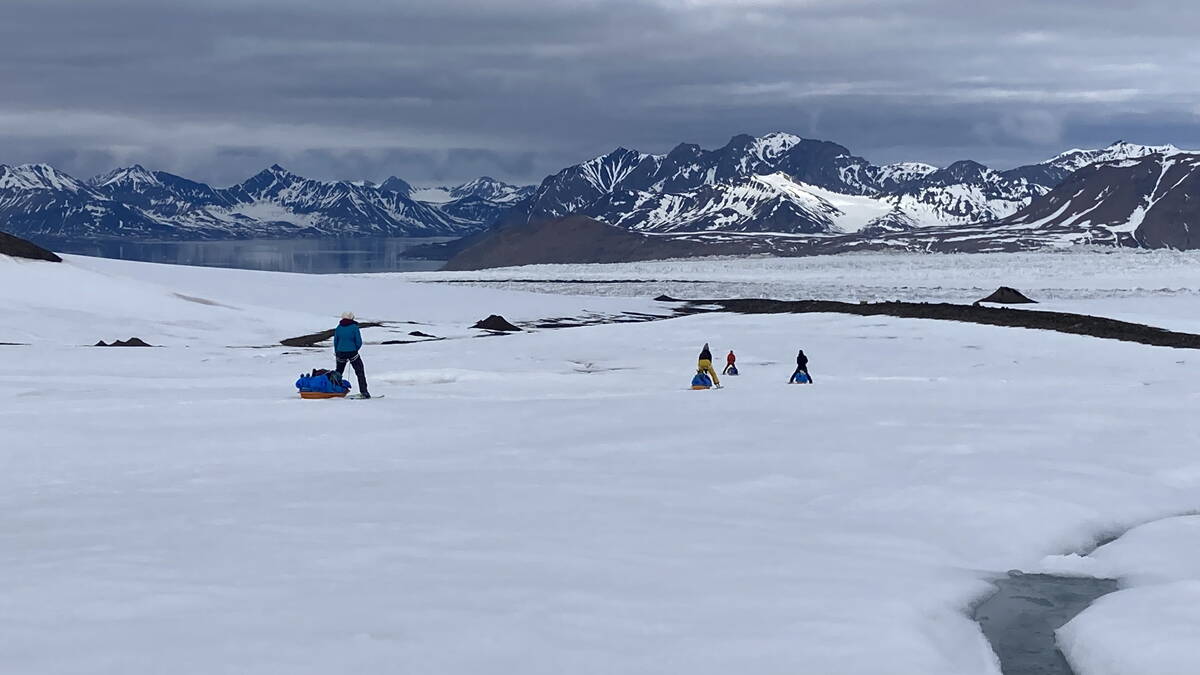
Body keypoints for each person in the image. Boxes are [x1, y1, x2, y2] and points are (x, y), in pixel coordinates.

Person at [333, 311, 370, 398]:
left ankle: (334, 391)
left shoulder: (338, 328)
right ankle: (364, 392)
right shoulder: (354, 327)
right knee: (359, 371)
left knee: (338, 372)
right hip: (352, 353)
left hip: (340, 353)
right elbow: (359, 342)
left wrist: (337, 352)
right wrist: (354, 349)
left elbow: (336, 342)